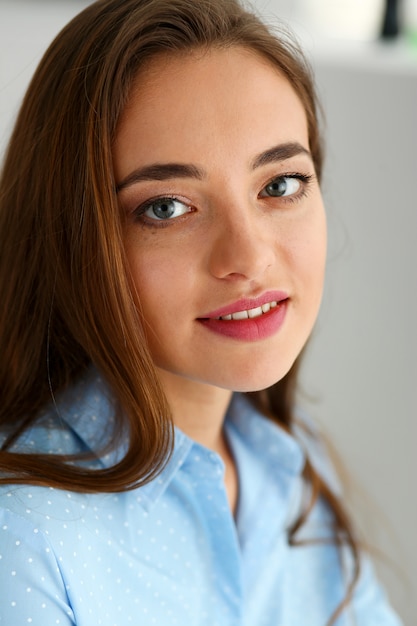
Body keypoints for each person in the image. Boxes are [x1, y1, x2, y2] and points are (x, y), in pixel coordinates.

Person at [0, 0, 403, 624]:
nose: (248, 259)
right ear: (71, 236)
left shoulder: (291, 462)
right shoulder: (24, 540)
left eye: (279, 185)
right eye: (166, 207)